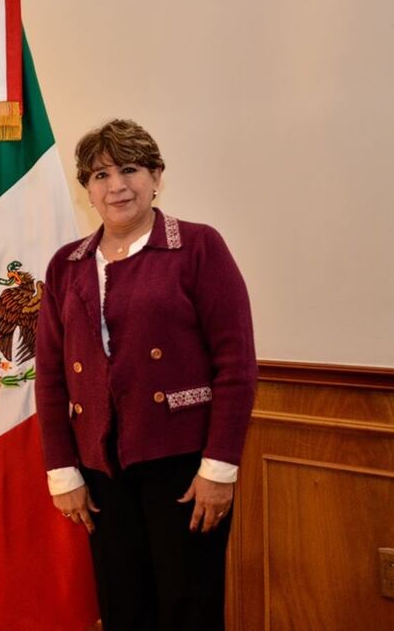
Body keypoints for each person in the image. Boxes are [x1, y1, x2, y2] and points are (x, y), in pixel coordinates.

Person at [35, 119, 256, 631]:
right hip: (101, 469)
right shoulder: (65, 265)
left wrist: (219, 468)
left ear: (156, 176)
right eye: (99, 174)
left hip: (184, 465)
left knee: (188, 607)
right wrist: (62, 470)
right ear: (86, 190)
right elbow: (48, 377)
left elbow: (237, 365)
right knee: (122, 608)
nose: (116, 185)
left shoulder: (199, 247)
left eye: (130, 169)